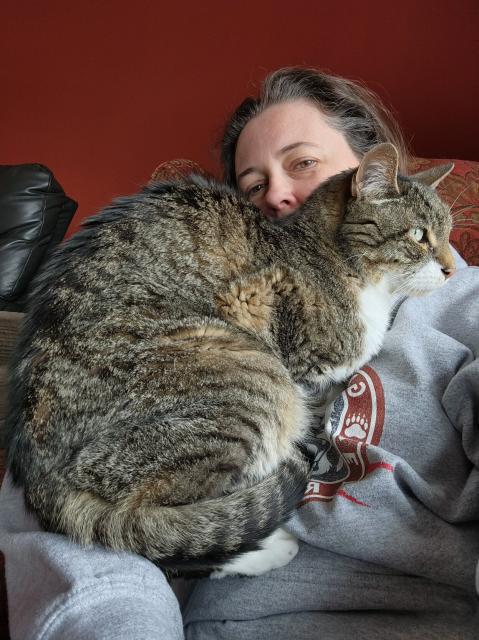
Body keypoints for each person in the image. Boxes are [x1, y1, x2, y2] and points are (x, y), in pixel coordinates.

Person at [0, 67, 478, 639]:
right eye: (253, 185)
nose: (276, 192)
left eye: (304, 163)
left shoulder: (462, 305)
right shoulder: (239, 300)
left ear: (371, 173)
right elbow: (61, 504)